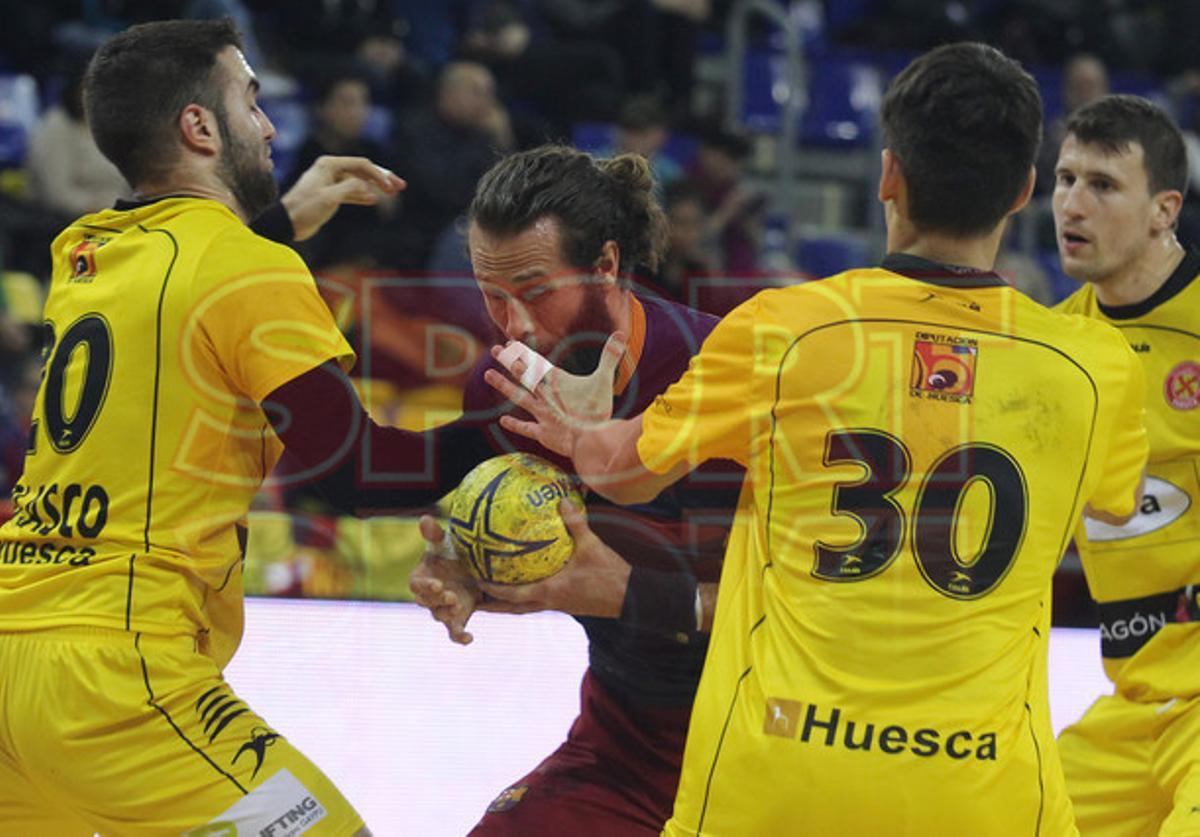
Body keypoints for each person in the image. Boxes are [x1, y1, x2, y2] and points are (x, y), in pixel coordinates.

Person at [487, 42, 1150, 835]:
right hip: (985, 797)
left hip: (777, 780)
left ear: (887, 177)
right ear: (1024, 193)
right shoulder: (1095, 368)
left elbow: (625, 475)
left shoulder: (783, 328)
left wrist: (585, 428)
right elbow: (1111, 513)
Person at [0, 18, 405, 835]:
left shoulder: (87, 250)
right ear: (199, 126)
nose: (267, 124)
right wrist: (529, 427)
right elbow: (357, 472)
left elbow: (187, 281)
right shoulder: (248, 267)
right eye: (251, 101)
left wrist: (279, 223)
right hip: (116, 670)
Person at [391, 144, 743, 835]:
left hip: (764, 737)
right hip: (627, 743)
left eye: (535, 290)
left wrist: (631, 589)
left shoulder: (721, 370)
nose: (514, 325)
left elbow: (808, 599)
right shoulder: (502, 391)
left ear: (606, 265)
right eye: (493, 296)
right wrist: (470, 573)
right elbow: (548, 557)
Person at [1051, 94, 1200, 836]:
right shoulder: (1055, 348)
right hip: (1135, 701)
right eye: (1065, 179)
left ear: (1163, 209)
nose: (1073, 204)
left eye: (1104, 185)